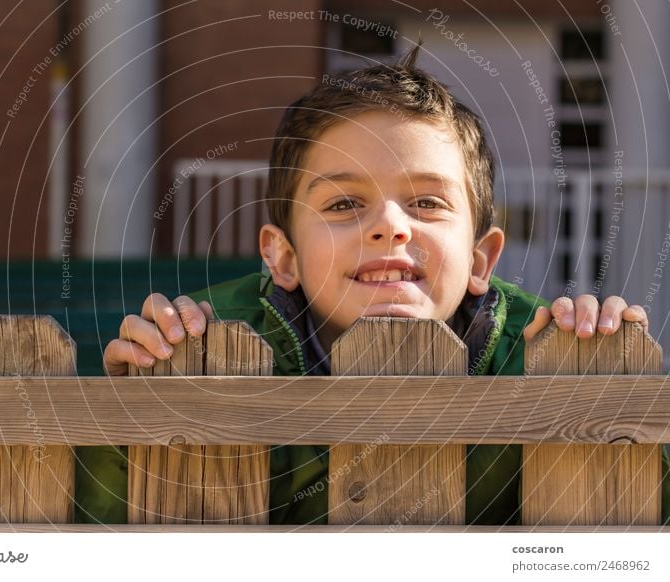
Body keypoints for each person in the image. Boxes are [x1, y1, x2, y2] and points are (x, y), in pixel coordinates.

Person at [91, 45, 657, 525]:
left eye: (427, 202)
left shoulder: (541, 356)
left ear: (481, 260)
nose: (391, 224)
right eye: (343, 203)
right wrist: (123, 425)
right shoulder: (206, 351)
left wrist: (612, 376)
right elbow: (89, 531)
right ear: (282, 258)